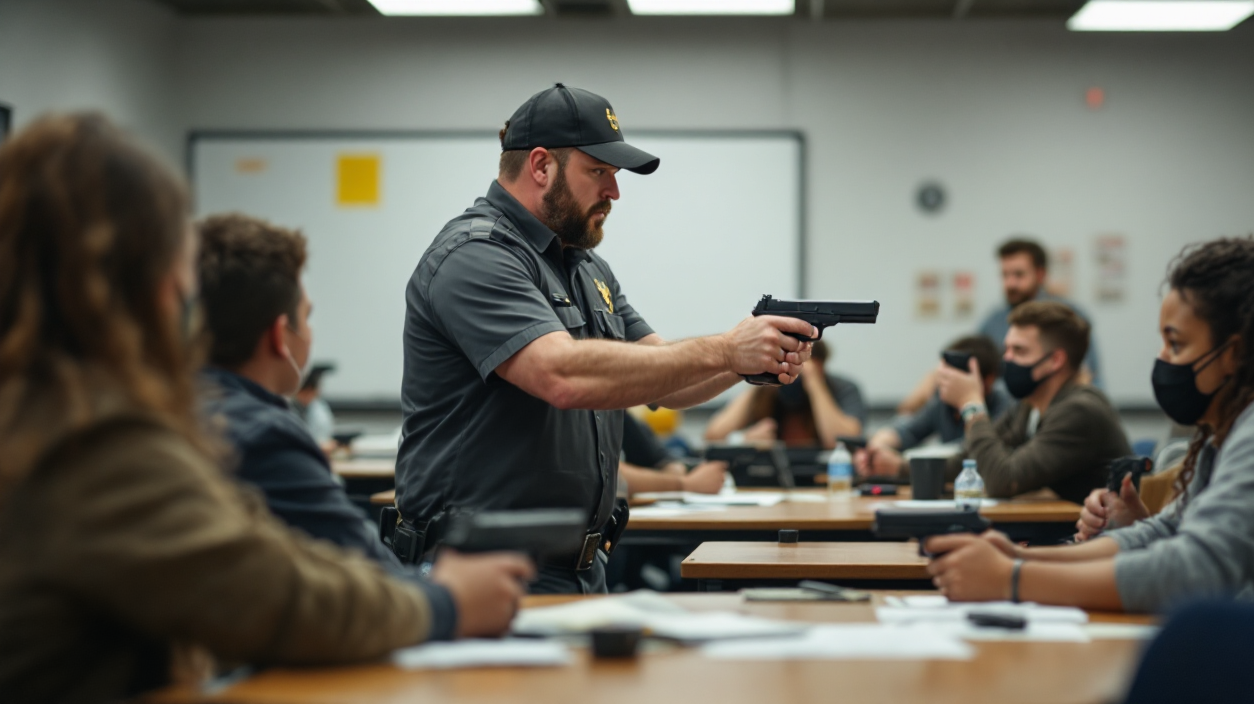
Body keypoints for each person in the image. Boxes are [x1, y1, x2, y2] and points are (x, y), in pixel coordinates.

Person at [0, 114, 533, 702]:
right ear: (150, 281)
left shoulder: (36, 409)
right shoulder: (91, 437)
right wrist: (446, 600)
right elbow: (272, 596)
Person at [924, 231, 1254, 680]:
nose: (1162, 359)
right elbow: (1168, 528)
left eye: (1175, 343)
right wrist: (1032, 561)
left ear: (1234, 353)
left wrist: (1013, 579)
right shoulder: (1238, 423)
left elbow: (1193, 570)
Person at [395, 84, 814, 594]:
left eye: (614, 176)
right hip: (481, 570)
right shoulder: (475, 255)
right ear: (542, 166)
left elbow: (662, 380)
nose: (614, 193)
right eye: (599, 172)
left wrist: (749, 358)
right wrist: (726, 348)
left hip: (579, 568)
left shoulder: (586, 267)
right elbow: (560, 374)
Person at [196, 213, 410, 572]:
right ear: (280, 336)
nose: (309, 332)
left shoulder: (169, 412)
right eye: (306, 317)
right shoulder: (266, 437)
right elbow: (377, 575)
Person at [928, 300, 1129, 502]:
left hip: (1092, 532)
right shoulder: (1028, 405)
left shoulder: (1080, 411)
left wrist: (971, 404)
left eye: (1019, 351)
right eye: (1006, 349)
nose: (1006, 360)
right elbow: (969, 461)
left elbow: (1004, 481)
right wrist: (900, 467)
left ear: (1055, 360)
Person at [856, 336, 1013, 479]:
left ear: (988, 379)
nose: (943, 383)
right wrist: (876, 448)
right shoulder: (943, 403)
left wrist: (900, 464)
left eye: (954, 376)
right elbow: (908, 430)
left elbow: (969, 453)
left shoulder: (1005, 406)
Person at [979, 237, 1102, 388]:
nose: (1010, 283)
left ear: (1040, 274)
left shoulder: (1069, 317)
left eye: (1018, 274)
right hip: (1011, 409)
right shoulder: (992, 323)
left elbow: (1090, 377)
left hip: (1061, 407)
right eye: (1005, 275)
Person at [702, 339, 864, 449]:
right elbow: (713, 436)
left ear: (820, 365)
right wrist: (762, 376)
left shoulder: (842, 389)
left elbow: (843, 442)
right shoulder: (767, 392)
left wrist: (814, 382)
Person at [619, 412, 728, 495]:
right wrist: (685, 484)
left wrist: (675, 469)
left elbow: (656, 458)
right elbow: (615, 477)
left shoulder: (617, 412)